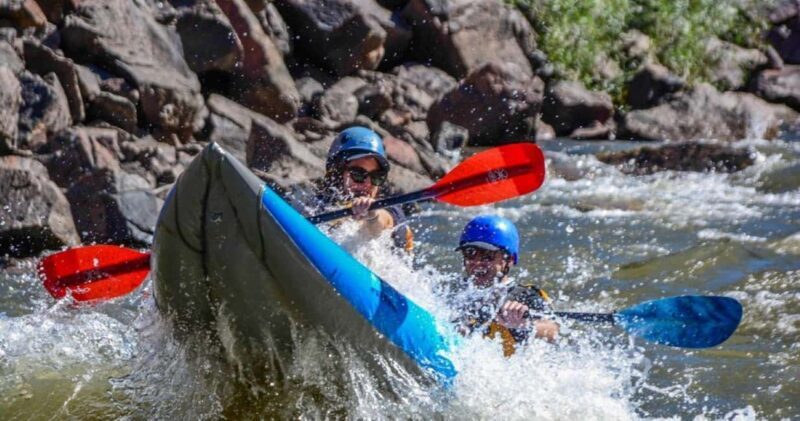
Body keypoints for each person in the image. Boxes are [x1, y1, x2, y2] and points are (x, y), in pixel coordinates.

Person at [451, 215, 559, 356]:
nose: (477, 263)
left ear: (509, 260)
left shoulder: (526, 295)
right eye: (470, 253)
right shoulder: (452, 290)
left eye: (487, 255)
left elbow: (554, 330)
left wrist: (524, 323)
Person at [309, 126, 413, 250]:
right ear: (337, 174)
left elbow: (381, 225)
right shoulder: (318, 205)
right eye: (358, 174)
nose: (368, 183)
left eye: (376, 176)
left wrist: (372, 215)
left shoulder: (391, 208)